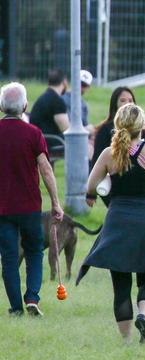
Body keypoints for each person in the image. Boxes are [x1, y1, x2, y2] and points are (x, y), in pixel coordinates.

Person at [77, 104, 145, 343]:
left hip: (117, 222)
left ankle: (126, 341)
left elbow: (90, 187)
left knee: (121, 284)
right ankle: (144, 315)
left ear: (117, 126)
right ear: (143, 126)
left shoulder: (108, 154)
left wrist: (108, 187)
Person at [0, 82, 64, 317]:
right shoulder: (33, 134)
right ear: (25, 106)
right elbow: (46, 170)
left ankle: (16, 307)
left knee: (8, 257)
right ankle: (32, 297)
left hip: (2, 208)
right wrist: (56, 202)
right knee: (34, 250)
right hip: (29, 207)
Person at [89, 86, 145, 207]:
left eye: (130, 100)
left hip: (139, 186)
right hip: (114, 185)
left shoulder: (143, 130)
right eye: (123, 100)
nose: (127, 104)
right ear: (115, 105)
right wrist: (91, 194)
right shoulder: (106, 129)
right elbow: (96, 160)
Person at [29, 69, 70, 154]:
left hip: (37, 140)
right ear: (64, 82)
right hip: (50, 141)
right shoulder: (56, 101)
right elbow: (66, 129)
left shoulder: (43, 98)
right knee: (84, 143)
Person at [62, 69, 96, 159]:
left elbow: (84, 124)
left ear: (88, 87)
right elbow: (66, 126)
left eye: (84, 85)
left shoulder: (83, 105)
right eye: (80, 83)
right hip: (66, 137)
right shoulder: (63, 100)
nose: (81, 87)